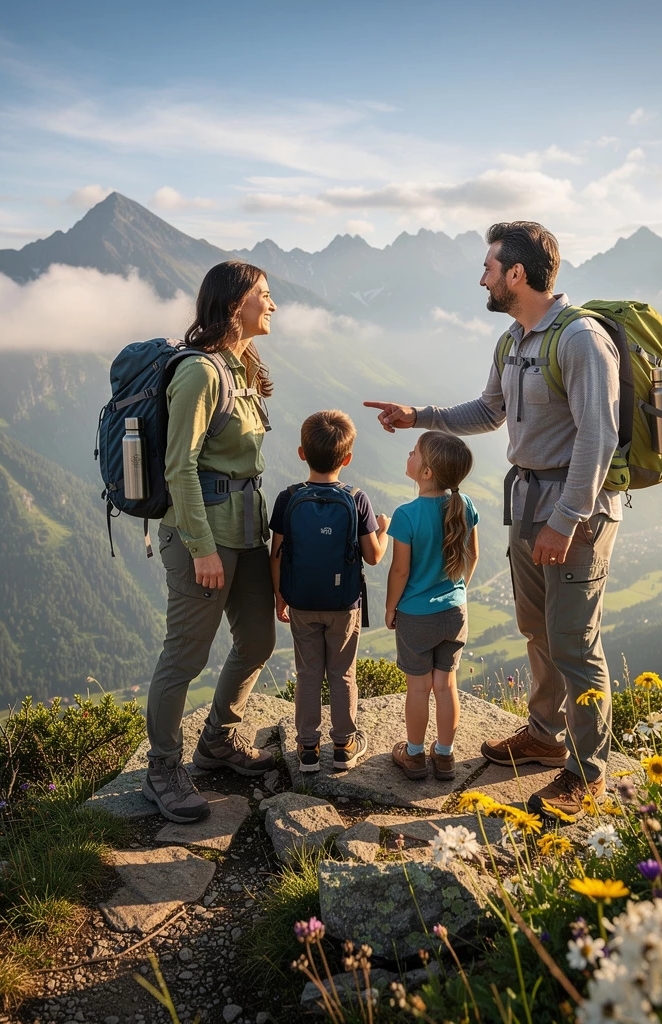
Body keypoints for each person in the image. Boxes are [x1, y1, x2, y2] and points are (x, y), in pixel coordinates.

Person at [365, 221, 620, 818]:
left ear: (517, 274)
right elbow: (489, 410)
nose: (481, 276)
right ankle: (544, 734)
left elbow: (597, 437)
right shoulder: (513, 339)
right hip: (528, 501)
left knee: (576, 643)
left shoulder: (579, 339)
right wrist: (417, 416)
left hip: (571, 508)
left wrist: (567, 518)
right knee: (537, 627)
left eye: (488, 267)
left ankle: (588, 773)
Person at [143, 261, 278, 824]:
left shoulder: (241, 367)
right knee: (185, 656)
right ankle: (163, 769)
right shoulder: (200, 373)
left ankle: (217, 740)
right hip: (204, 536)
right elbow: (180, 468)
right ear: (234, 307)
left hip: (245, 534)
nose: (272, 307)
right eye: (264, 297)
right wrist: (200, 548)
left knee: (258, 641)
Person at [269, 410, 390, 773]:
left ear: (302, 453)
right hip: (343, 605)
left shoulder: (287, 498)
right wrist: (384, 529)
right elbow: (372, 556)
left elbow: (276, 554)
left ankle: (307, 749)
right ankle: (344, 746)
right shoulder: (357, 499)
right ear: (347, 459)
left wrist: (280, 596)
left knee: (308, 674)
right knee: (342, 673)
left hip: (302, 603)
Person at [386, 431, 478, 782]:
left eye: (415, 453)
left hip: (416, 616)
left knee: (419, 689)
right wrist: (457, 592)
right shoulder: (465, 505)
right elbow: (472, 556)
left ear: (426, 473)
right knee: (446, 686)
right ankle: (444, 756)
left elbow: (400, 570)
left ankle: (413, 755)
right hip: (455, 613)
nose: (409, 454)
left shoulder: (406, 515)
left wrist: (391, 607)